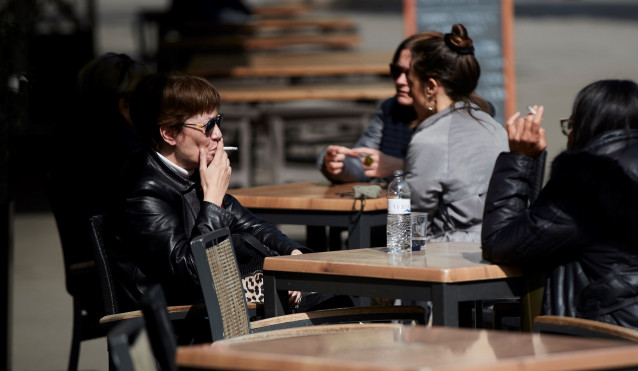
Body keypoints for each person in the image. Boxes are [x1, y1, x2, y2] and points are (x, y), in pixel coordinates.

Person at [482, 79, 638, 346]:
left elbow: (501, 243)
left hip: (620, 348)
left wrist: (521, 158)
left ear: (585, 126)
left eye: (570, 125)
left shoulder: (585, 180)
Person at [106, 72, 309, 313]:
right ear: (169, 134)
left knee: (327, 294)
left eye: (218, 121)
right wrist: (212, 200)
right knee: (332, 301)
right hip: (181, 323)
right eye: (207, 126)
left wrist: (292, 253)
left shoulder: (190, 173)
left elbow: (253, 226)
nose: (218, 134)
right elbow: (192, 271)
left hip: (213, 307)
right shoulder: (143, 192)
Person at [45, 53, 152, 299]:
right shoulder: (129, 148)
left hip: (88, 276)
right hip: (124, 278)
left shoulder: (64, 138)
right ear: (124, 104)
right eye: (146, 99)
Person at [403, 24, 510, 242]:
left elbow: (412, 222)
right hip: (501, 245)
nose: (409, 93)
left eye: (411, 83)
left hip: (450, 257)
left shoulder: (431, 139)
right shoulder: (494, 126)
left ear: (430, 87)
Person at [316, 33, 427, 184]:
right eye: (396, 71)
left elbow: (455, 174)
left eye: (409, 74)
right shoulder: (390, 109)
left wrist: (400, 168)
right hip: (397, 205)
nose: (400, 81)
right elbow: (365, 162)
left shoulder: (453, 118)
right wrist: (336, 163)